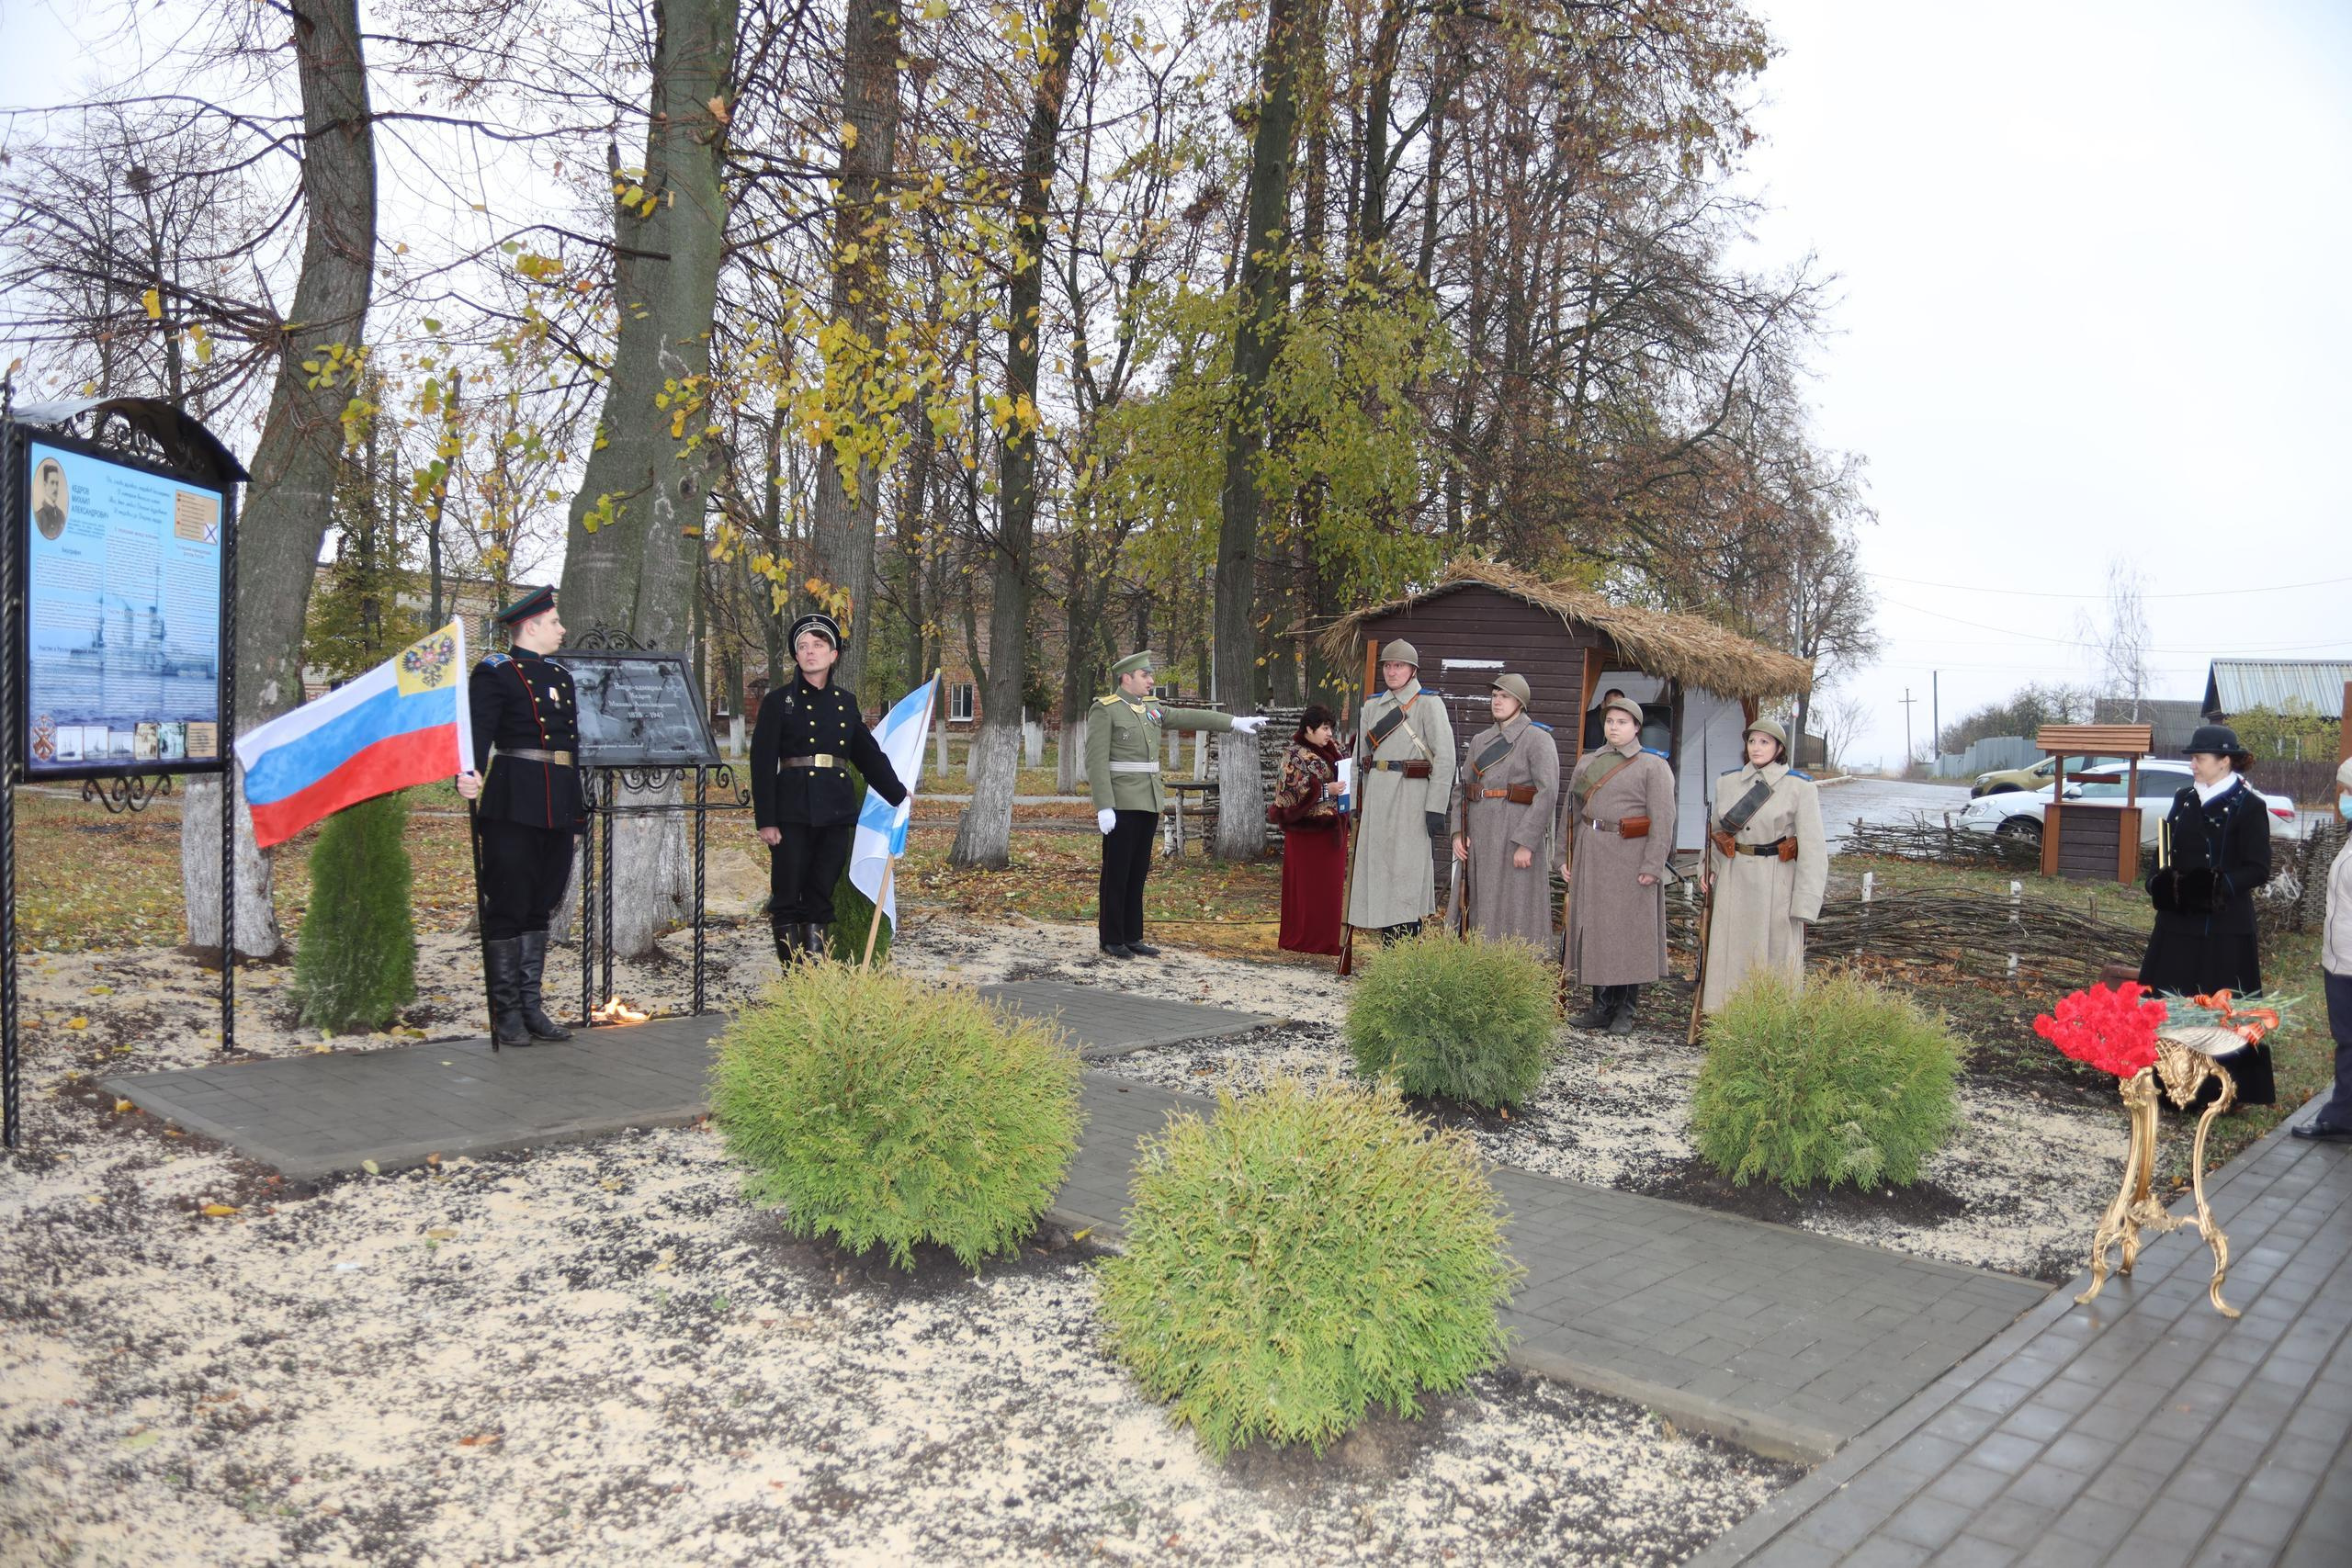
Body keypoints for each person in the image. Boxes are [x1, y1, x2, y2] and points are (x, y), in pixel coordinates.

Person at [455, 585, 585, 1047]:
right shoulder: (496, 671)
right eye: (554, 622)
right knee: (509, 903)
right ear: (530, 626)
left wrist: (576, 816)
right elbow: (478, 728)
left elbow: (570, 747)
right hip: (514, 801)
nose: (562, 629)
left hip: (559, 802)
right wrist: (468, 772)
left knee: (540, 905)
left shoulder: (561, 676)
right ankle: (506, 1011)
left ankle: (531, 1007)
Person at [750, 612, 907, 966]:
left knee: (821, 893)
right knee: (787, 895)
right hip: (790, 811)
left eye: (818, 645)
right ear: (796, 656)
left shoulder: (844, 702)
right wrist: (767, 820)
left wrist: (898, 793)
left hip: (835, 810)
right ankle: (794, 978)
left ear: (833, 654)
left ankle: (815, 975)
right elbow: (761, 763)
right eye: (803, 646)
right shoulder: (778, 702)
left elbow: (867, 754)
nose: (810, 651)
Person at [1086, 650, 1267, 959]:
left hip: (1148, 800)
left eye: (1150, 675)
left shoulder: (1151, 708)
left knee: (1137, 873)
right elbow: (1095, 761)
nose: (1151, 680)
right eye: (1145, 675)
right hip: (1121, 803)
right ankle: (1111, 938)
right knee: (1117, 873)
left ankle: (1132, 936)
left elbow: (1188, 717)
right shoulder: (1106, 710)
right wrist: (1104, 805)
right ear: (1126, 678)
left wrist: (1234, 722)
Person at [2141, 724, 2275, 1104]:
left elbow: (2258, 868)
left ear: (2224, 761)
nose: (2193, 765)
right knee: (2169, 1000)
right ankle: (2163, 1084)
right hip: (2177, 924)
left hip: (2223, 928)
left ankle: (2216, 1092)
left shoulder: (2249, 806)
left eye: (2199, 758)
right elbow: (2165, 849)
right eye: (2193, 759)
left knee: (2218, 1008)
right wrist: (2158, 880)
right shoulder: (2184, 799)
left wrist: (2215, 887)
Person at [1561, 694, 1676, 1032]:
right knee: (1595, 929)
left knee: (1627, 933)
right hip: (1592, 854)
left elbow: (1663, 820)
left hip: (1630, 857)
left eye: (1622, 722)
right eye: (1610, 721)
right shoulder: (1588, 763)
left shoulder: (1653, 766)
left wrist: (1653, 865)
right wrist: (1563, 856)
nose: (1614, 727)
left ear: (1636, 727)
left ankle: (1625, 1010)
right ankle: (1600, 1006)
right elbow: (1570, 814)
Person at [1698, 717, 1828, 1016]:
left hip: (1777, 883)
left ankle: (1768, 1025)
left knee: (1774, 960)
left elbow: (1813, 850)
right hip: (1733, 879)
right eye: (1752, 741)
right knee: (1730, 957)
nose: (1756, 747)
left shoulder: (1799, 787)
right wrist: (1708, 866)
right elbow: (1716, 834)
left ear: (1779, 748)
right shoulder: (1726, 783)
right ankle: (1725, 1021)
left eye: (1765, 742)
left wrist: (1805, 903)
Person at [1346, 639, 1457, 945]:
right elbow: (1359, 761)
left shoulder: (1429, 704)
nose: (1392, 671)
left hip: (1411, 799)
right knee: (1379, 875)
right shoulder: (1372, 706)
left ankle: (1404, 952)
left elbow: (1445, 758)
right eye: (1388, 666)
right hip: (1376, 799)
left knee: (1406, 876)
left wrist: (1435, 807)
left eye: (1399, 666)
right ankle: (1388, 949)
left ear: (1413, 670)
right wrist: (1356, 802)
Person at [1451, 673, 1557, 953]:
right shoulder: (1480, 740)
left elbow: (1547, 793)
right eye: (1494, 696)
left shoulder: (1537, 739)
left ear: (1520, 703)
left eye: (1505, 696)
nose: (1497, 701)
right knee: (1479, 906)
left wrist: (1526, 842)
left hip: (1514, 835)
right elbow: (1462, 789)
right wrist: (1458, 832)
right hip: (1480, 835)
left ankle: (1514, 968)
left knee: (1515, 908)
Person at [2290, 757, 2352, 1143]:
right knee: (2347, 1041)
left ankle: (2341, 1117)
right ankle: (2342, 1115)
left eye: (2348, 791)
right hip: (2340, 959)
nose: (2342, 798)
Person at [1273, 705, 1349, 956]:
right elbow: (1288, 794)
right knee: (1307, 889)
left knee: (1329, 889)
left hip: (1332, 833)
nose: (1329, 733)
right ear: (1309, 728)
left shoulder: (1333, 749)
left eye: (1330, 728)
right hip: (1307, 835)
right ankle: (1303, 939)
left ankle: (1327, 939)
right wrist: (1327, 790)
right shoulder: (1294, 755)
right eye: (1324, 728)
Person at [33, 459, 67, 538]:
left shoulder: (61, 515)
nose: (55, 488)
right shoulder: (39, 516)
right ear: (45, 485)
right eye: (52, 483)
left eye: (57, 483)